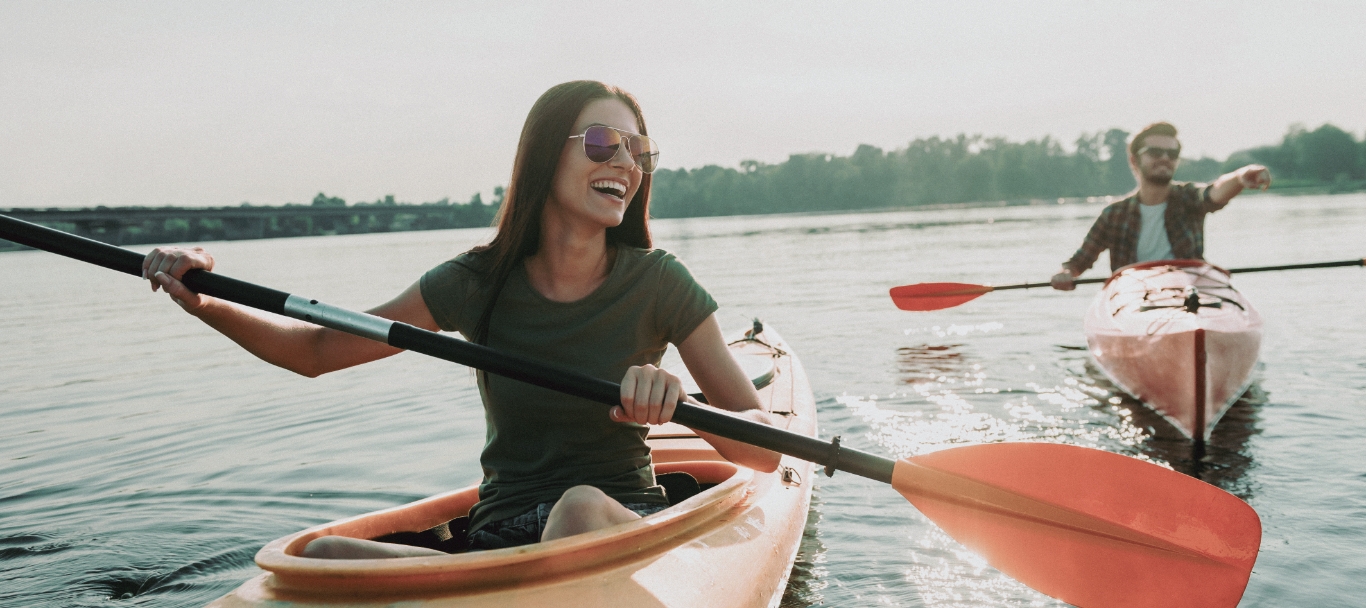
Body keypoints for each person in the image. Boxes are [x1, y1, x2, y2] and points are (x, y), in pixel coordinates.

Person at [139, 80, 781, 558]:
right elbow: (314, 350)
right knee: (320, 554)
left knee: (578, 509)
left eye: (639, 150)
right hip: (497, 537)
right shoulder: (476, 281)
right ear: (543, 155)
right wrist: (204, 299)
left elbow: (761, 451)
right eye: (603, 142)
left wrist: (675, 405)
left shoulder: (660, 282)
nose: (626, 163)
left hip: (614, 521)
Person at [1051, 122, 1272, 290]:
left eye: (1172, 154)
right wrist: (1065, 273)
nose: (1165, 158)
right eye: (1155, 152)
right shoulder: (1114, 214)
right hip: (1134, 297)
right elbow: (1078, 262)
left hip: (1189, 292)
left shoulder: (1188, 198)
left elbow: (1214, 193)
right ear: (1134, 161)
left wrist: (1241, 177)